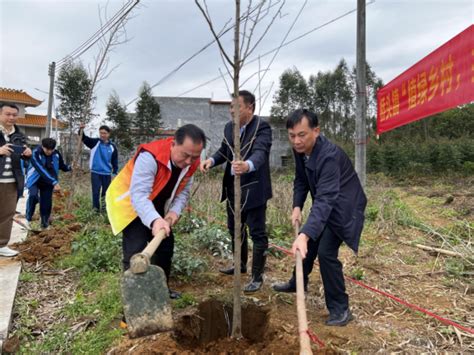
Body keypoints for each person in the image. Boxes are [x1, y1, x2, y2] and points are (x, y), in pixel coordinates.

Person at [273, 109, 367, 326]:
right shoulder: (301, 150)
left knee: (325, 252)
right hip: (327, 205)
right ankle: (297, 283)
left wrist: (304, 234)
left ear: (316, 131)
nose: (296, 141)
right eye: (292, 135)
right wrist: (297, 206)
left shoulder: (329, 156)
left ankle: (341, 309)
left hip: (344, 208)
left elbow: (325, 199)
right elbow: (301, 180)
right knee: (309, 244)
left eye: (302, 135)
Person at [106, 124, 206, 299]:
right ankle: (133, 303)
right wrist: (154, 220)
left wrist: (174, 212)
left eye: (195, 157)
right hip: (133, 206)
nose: (189, 162)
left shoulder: (191, 163)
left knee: (165, 247)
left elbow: (183, 191)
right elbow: (139, 195)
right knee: (135, 251)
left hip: (159, 204)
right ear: (173, 144)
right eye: (185, 155)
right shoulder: (150, 157)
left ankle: (161, 292)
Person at [200, 90, 272, 293]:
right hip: (232, 188)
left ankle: (257, 276)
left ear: (249, 107)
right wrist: (211, 161)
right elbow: (224, 150)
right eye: (230, 106)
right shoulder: (228, 128)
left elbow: (261, 152)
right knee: (235, 229)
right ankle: (239, 264)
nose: (231, 110)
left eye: (236, 106)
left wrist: (247, 165)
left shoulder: (261, 127)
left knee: (257, 233)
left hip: (254, 189)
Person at [0, 103, 32, 257]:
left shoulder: (19, 135)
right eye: (8, 114)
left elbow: (24, 161)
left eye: (14, 115)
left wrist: (27, 153)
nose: (11, 117)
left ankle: (1, 244)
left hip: (11, 181)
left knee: (7, 213)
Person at [25, 138, 71, 229]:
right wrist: (54, 182)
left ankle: (44, 223)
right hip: (35, 179)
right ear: (42, 146)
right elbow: (41, 169)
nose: (49, 152)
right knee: (33, 196)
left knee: (46, 202)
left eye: (51, 150)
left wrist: (70, 167)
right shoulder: (35, 153)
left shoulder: (56, 154)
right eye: (47, 149)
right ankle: (28, 217)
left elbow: (62, 166)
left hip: (48, 182)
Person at [79, 123, 118, 212]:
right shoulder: (95, 143)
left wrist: (115, 172)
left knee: (106, 193)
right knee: (95, 192)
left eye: (104, 133)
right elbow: (84, 138)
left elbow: (114, 160)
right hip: (95, 172)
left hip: (107, 173)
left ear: (108, 134)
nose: (102, 135)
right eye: (101, 133)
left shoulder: (112, 147)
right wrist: (81, 130)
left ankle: (104, 210)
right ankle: (95, 210)